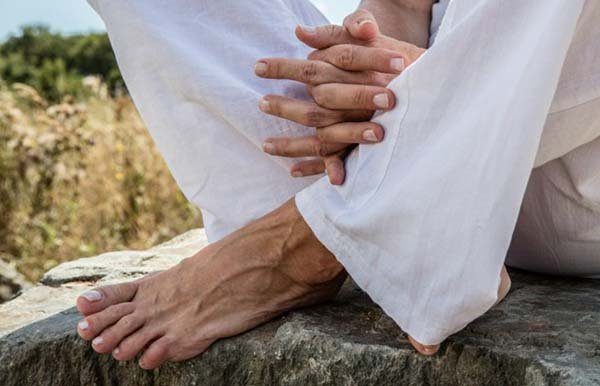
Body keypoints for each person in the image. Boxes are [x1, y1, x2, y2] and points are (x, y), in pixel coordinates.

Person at [75, 0, 600, 370]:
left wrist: (454, 92)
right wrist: (377, 69)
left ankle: (309, 243)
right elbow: (405, 3)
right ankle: (347, 207)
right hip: (399, 157)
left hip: (571, 170)